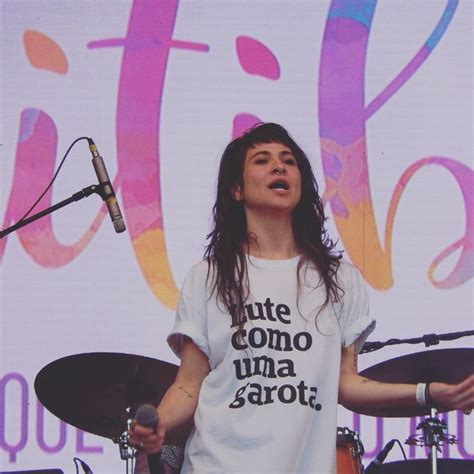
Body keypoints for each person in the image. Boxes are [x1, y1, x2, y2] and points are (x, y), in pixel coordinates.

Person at [130, 123, 474, 473]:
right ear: (237, 188)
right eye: (262, 161)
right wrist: (159, 421)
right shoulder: (208, 276)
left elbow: (348, 383)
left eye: (289, 161)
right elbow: (188, 385)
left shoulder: (340, 280)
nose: (279, 167)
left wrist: (428, 394)